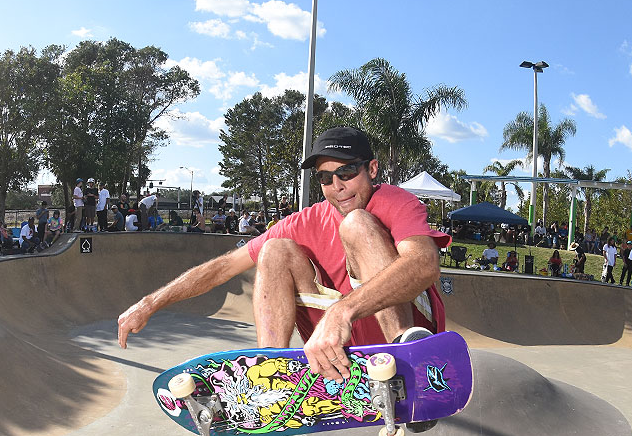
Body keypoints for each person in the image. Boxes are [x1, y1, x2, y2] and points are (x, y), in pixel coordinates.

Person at [117, 125, 448, 392]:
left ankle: (406, 365)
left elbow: (423, 264)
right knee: (274, 249)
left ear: (372, 169)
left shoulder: (395, 201)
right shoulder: (304, 221)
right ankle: (271, 379)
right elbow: (223, 268)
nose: (337, 187)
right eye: (325, 178)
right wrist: (149, 304)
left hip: (405, 327)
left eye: (347, 172)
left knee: (357, 223)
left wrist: (341, 312)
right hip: (343, 339)